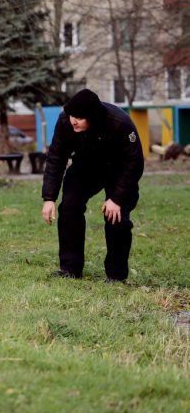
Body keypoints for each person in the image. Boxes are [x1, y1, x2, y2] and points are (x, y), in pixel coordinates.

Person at [41, 88, 144, 282]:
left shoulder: (120, 123)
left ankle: (116, 275)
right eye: (72, 115)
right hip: (86, 166)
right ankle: (70, 269)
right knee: (69, 206)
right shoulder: (65, 122)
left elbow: (134, 163)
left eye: (79, 117)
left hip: (119, 170)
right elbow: (56, 158)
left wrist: (117, 199)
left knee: (116, 217)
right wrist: (49, 198)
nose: (73, 120)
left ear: (92, 117)